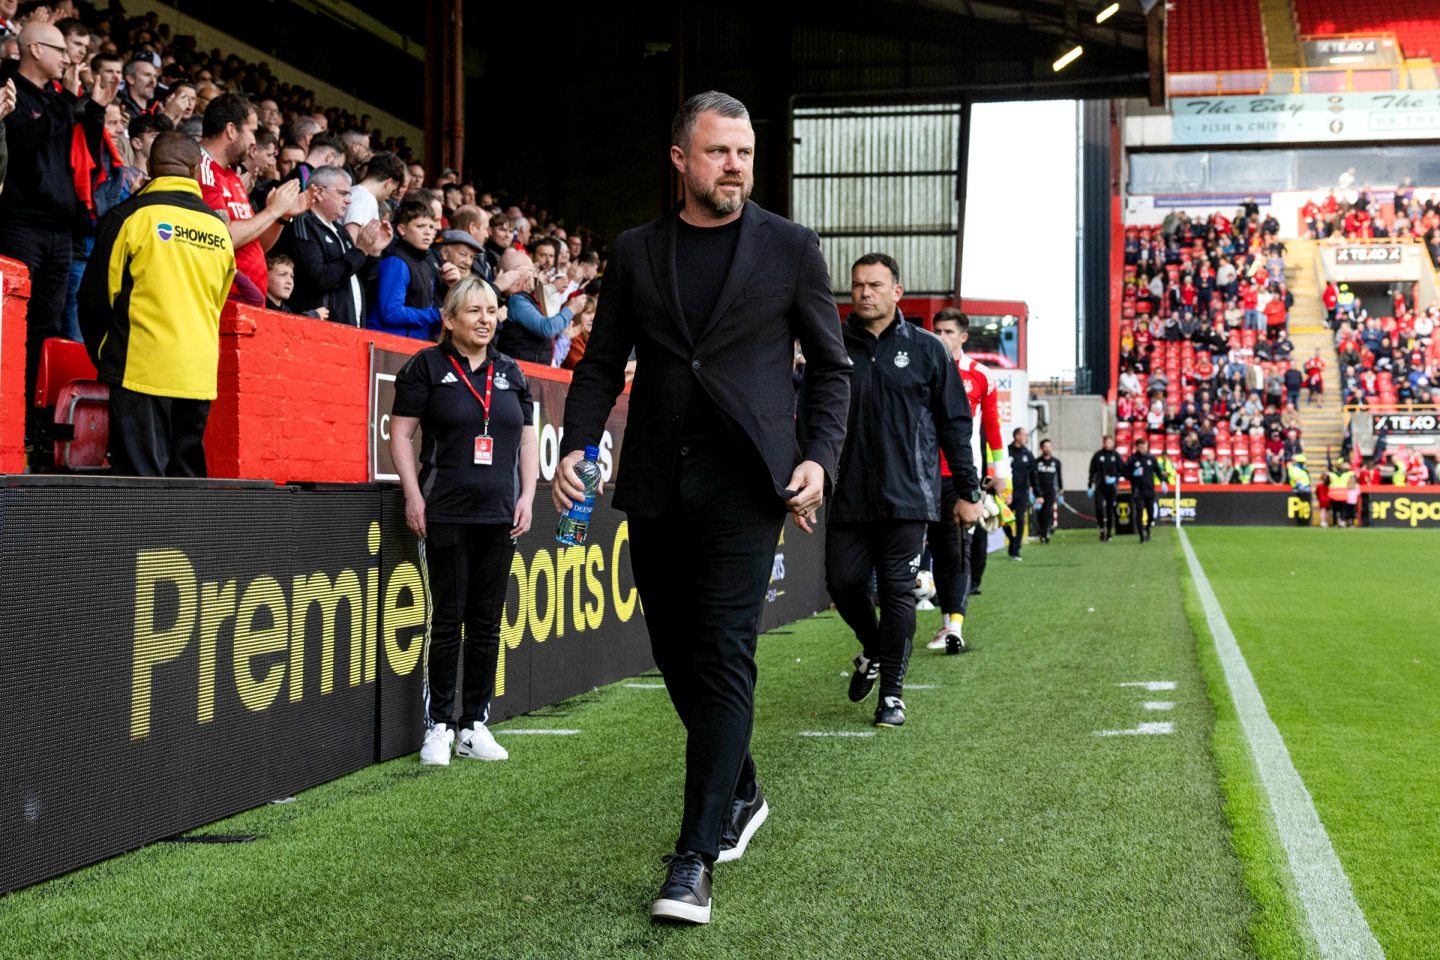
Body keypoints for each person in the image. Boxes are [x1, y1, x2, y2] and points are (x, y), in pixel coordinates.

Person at [549, 91, 850, 925]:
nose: (736, 167)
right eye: (719, 152)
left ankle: (693, 859)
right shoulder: (639, 252)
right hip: (652, 479)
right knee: (679, 656)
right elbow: (602, 363)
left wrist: (820, 457)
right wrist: (578, 444)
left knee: (721, 653)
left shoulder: (790, 248)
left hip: (748, 485)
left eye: (745, 153)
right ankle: (743, 788)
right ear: (680, 159)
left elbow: (831, 369)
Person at [827, 253, 984, 722]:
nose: (864, 293)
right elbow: (811, 412)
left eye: (875, 285)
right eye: (857, 285)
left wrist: (969, 493)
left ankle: (891, 693)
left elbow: (955, 424)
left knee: (897, 590)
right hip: (847, 492)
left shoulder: (928, 349)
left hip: (910, 494)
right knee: (844, 583)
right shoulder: (831, 344)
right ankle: (874, 646)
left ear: (897, 292)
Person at [389, 277, 538, 767]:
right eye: (473, 311)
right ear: (449, 319)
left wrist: (529, 496)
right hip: (445, 511)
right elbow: (402, 436)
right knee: (448, 620)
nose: (485, 319)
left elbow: (528, 440)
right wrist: (413, 496)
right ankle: (439, 726)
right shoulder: (425, 368)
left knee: (488, 624)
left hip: (499, 513)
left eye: (492, 311)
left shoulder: (512, 372)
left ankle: (474, 724)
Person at [76, 132, 235, 476]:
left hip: (140, 369)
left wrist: (107, 355)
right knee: (186, 480)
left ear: (149, 167)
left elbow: (94, 299)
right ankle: (186, 532)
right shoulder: (220, 231)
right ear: (195, 172)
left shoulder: (129, 216)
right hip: (198, 373)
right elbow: (218, 302)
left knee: (140, 484)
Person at [1, 20, 106, 449]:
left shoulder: (57, 99)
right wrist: (64, 106)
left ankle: (28, 421)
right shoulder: (9, 90)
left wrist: (92, 108)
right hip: (20, 223)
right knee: (13, 324)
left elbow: (86, 150)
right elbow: (23, 143)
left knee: (44, 327)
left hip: (61, 230)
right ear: (33, 49)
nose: (68, 58)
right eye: (60, 50)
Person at [924, 307, 1004, 654]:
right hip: (916, 475)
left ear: (963, 337)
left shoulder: (980, 375)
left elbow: (992, 429)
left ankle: (952, 626)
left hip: (957, 478)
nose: (940, 337)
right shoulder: (920, 365)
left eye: (947, 332)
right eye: (936, 331)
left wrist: (1001, 476)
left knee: (954, 553)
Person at [199, 94, 305, 303]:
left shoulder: (230, 174)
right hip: (224, 301)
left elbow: (253, 244)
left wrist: (281, 217)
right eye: (252, 132)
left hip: (247, 302)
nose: (254, 141)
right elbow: (222, 239)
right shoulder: (203, 169)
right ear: (231, 130)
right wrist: (272, 211)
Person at [276, 165, 390, 326]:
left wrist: (374, 253)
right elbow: (318, 278)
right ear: (320, 192)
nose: (349, 200)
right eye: (342, 193)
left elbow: (361, 280)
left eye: (349, 194)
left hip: (352, 328)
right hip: (319, 329)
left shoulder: (340, 231)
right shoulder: (301, 224)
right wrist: (360, 251)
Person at [366, 197, 446, 339]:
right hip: (387, 346)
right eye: (420, 226)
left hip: (412, 345)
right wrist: (437, 315)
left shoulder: (425, 262)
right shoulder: (395, 262)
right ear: (402, 229)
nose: (428, 232)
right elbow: (391, 313)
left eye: (431, 227)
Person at [1124, 436, 1168, 543]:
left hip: (1150, 491)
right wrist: (1133, 474)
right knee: (1139, 513)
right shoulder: (1132, 459)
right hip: (1138, 491)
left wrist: (1163, 481)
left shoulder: (1151, 458)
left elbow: (1158, 470)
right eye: (1142, 447)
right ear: (1137, 447)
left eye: (1145, 447)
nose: (1144, 449)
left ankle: (1147, 529)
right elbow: (1125, 474)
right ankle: (1141, 536)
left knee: (1151, 514)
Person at [1005, 428, 1038, 559]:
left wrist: (1038, 493)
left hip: (1022, 493)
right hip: (1007, 494)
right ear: (1017, 436)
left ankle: (1016, 547)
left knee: (1020, 519)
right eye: (1024, 435)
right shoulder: (1006, 451)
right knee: (1005, 521)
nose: (1026, 437)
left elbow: (1034, 475)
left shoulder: (1028, 455)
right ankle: (1012, 539)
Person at [1033, 438, 1062, 543]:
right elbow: (1033, 478)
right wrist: (1034, 492)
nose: (1048, 449)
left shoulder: (1056, 462)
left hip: (1051, 491)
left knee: (1047, 512)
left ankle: (1045, 534)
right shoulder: (1036, 462)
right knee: (1039, 513)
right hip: (1039, 492)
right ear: (1041, 448)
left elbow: (1059, 477)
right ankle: (1042, 532)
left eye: (1049, 447)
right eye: (1045, 447)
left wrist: (1061, 491)